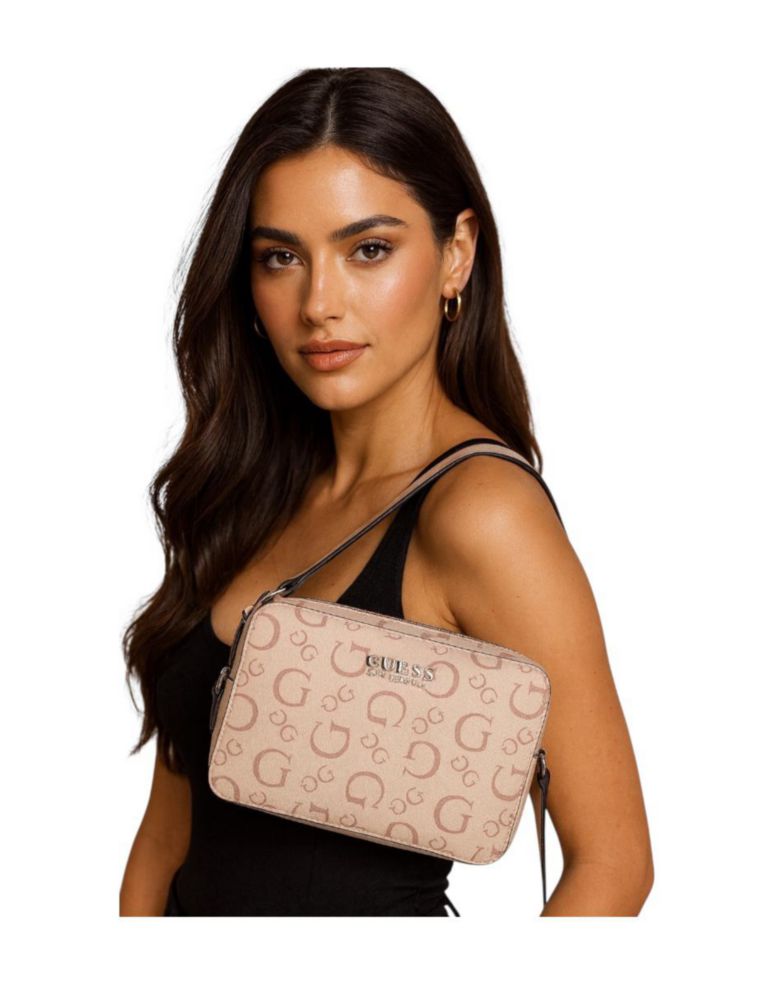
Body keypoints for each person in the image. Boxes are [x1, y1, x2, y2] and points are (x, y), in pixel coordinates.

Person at [119, 67, 654, 917]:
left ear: (456, 254)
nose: (318, 303)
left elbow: (614, 866)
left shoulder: (483, 516)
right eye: (280, 257)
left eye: (368, 250)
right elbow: (164, 843)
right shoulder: (244, 490)